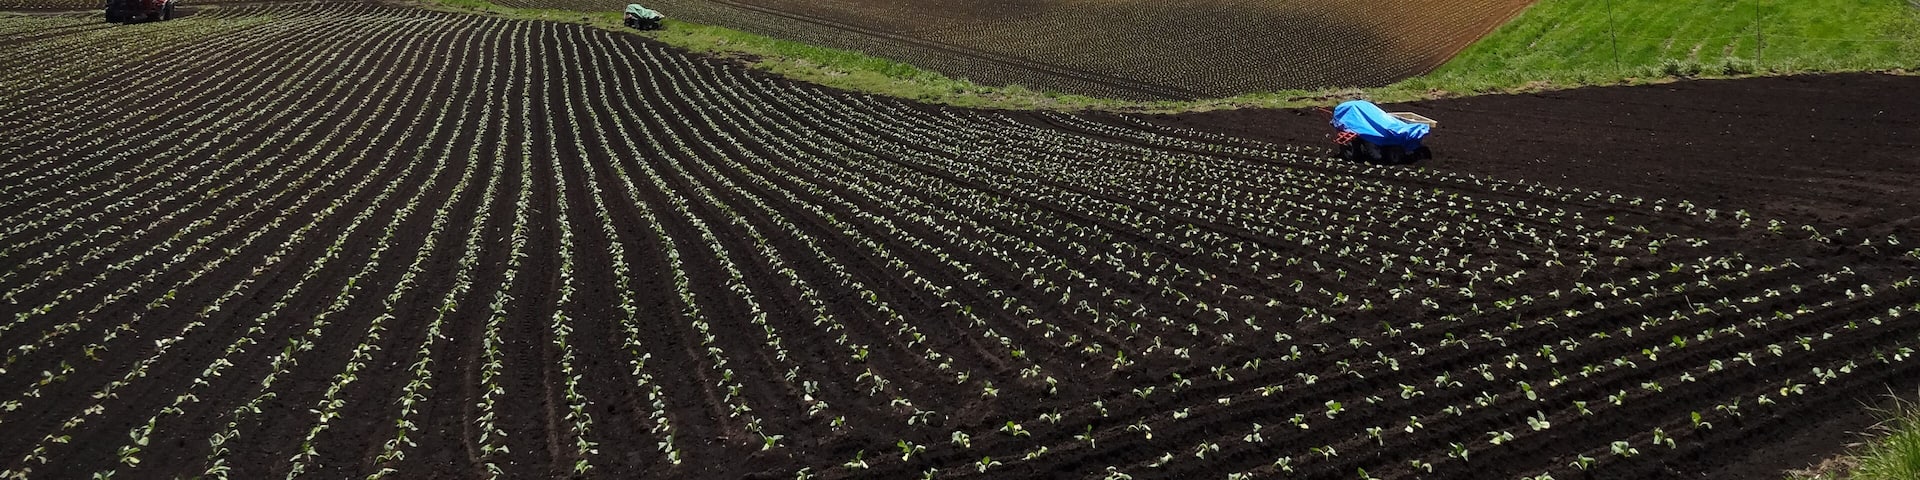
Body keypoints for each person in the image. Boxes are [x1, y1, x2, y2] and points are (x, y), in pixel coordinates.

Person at [1331, 100, 1432, 165]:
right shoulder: (1361, 124)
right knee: (1375, 155)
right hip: (1359, 120)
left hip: (1364, 121)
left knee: (1376, 155)